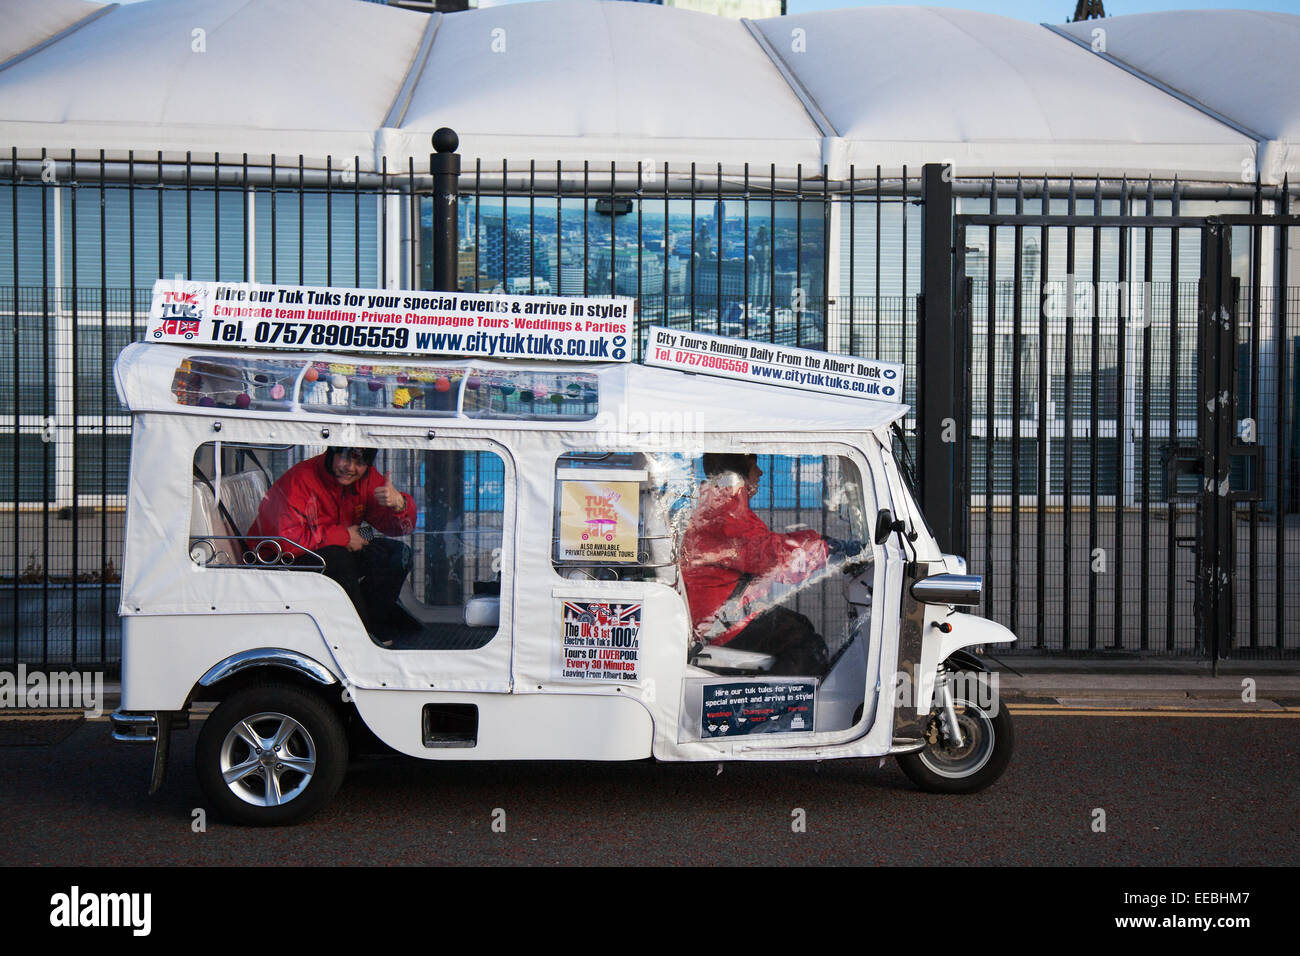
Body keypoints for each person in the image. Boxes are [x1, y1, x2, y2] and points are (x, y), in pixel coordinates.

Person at [681, 454, 848, 676]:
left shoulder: (718, 504)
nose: (760, 472)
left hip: (720, 613)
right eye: (753, 465)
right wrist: (825, 548)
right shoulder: (725, 510)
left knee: (799, 623)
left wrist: (819, 543)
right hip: (718, 625)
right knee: (809, 648)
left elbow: (763, 546)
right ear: (737, 469)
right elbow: (772, 558)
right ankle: (775, 708)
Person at [248, 446, 418, 642]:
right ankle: (359, 638)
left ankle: (375, 625)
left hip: (329, 549)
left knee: (396, 555)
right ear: (331, 453)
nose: (350, 468)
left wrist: (400, 504)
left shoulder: (367, 479)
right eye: (345, 458)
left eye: (360, 463)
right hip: (275, 563)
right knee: (339, 560)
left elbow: (399, 529)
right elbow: (285, 542)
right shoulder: (301, 479)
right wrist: (345, 537)